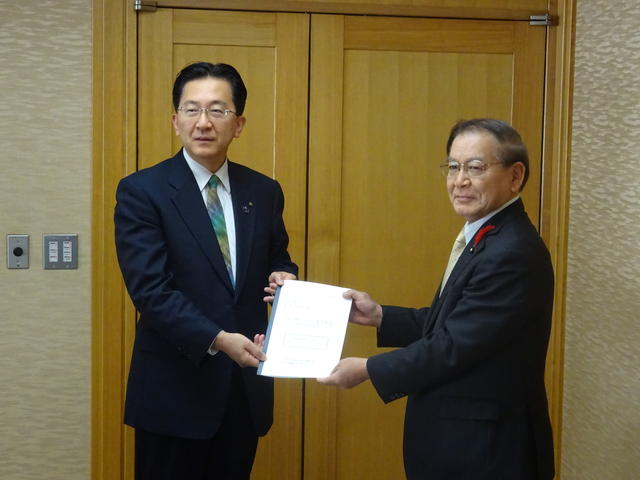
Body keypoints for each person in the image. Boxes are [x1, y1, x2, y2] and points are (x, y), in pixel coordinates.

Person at [319, 119, 555, 479]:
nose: (459, 181)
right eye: (453, 167)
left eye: (475, 168)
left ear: (515, 176)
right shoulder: (486, 236)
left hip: (487, 451)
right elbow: (458, 321)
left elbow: (454, 345)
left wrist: (368, 369)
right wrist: (381, 315)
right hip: (463, 443)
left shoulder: (513, 251)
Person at [114, 62, 298, 480]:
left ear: (239, 123)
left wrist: (283, 276)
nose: (203, 122)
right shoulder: (143, 191)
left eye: (217, 110)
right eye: (191, 110)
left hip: (242, 388)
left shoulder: (263, 191)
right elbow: (151, 291)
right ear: (175, 120)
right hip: (174, 392)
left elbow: (277, 257)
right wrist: (217, 340)